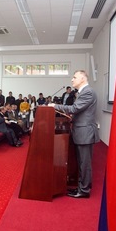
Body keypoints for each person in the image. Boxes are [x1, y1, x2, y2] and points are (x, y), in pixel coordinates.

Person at [48, 70, 100, 198]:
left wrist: (55, 106)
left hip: (85, 132)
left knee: (85, 163)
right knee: (81, 162)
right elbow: (79, 112)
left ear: (82, 78)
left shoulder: (88, 92)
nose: (72, 80)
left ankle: (84, 191)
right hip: (81, 131)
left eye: (75, 77)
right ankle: (81, 187)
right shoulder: (82, 92)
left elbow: (75, 109)